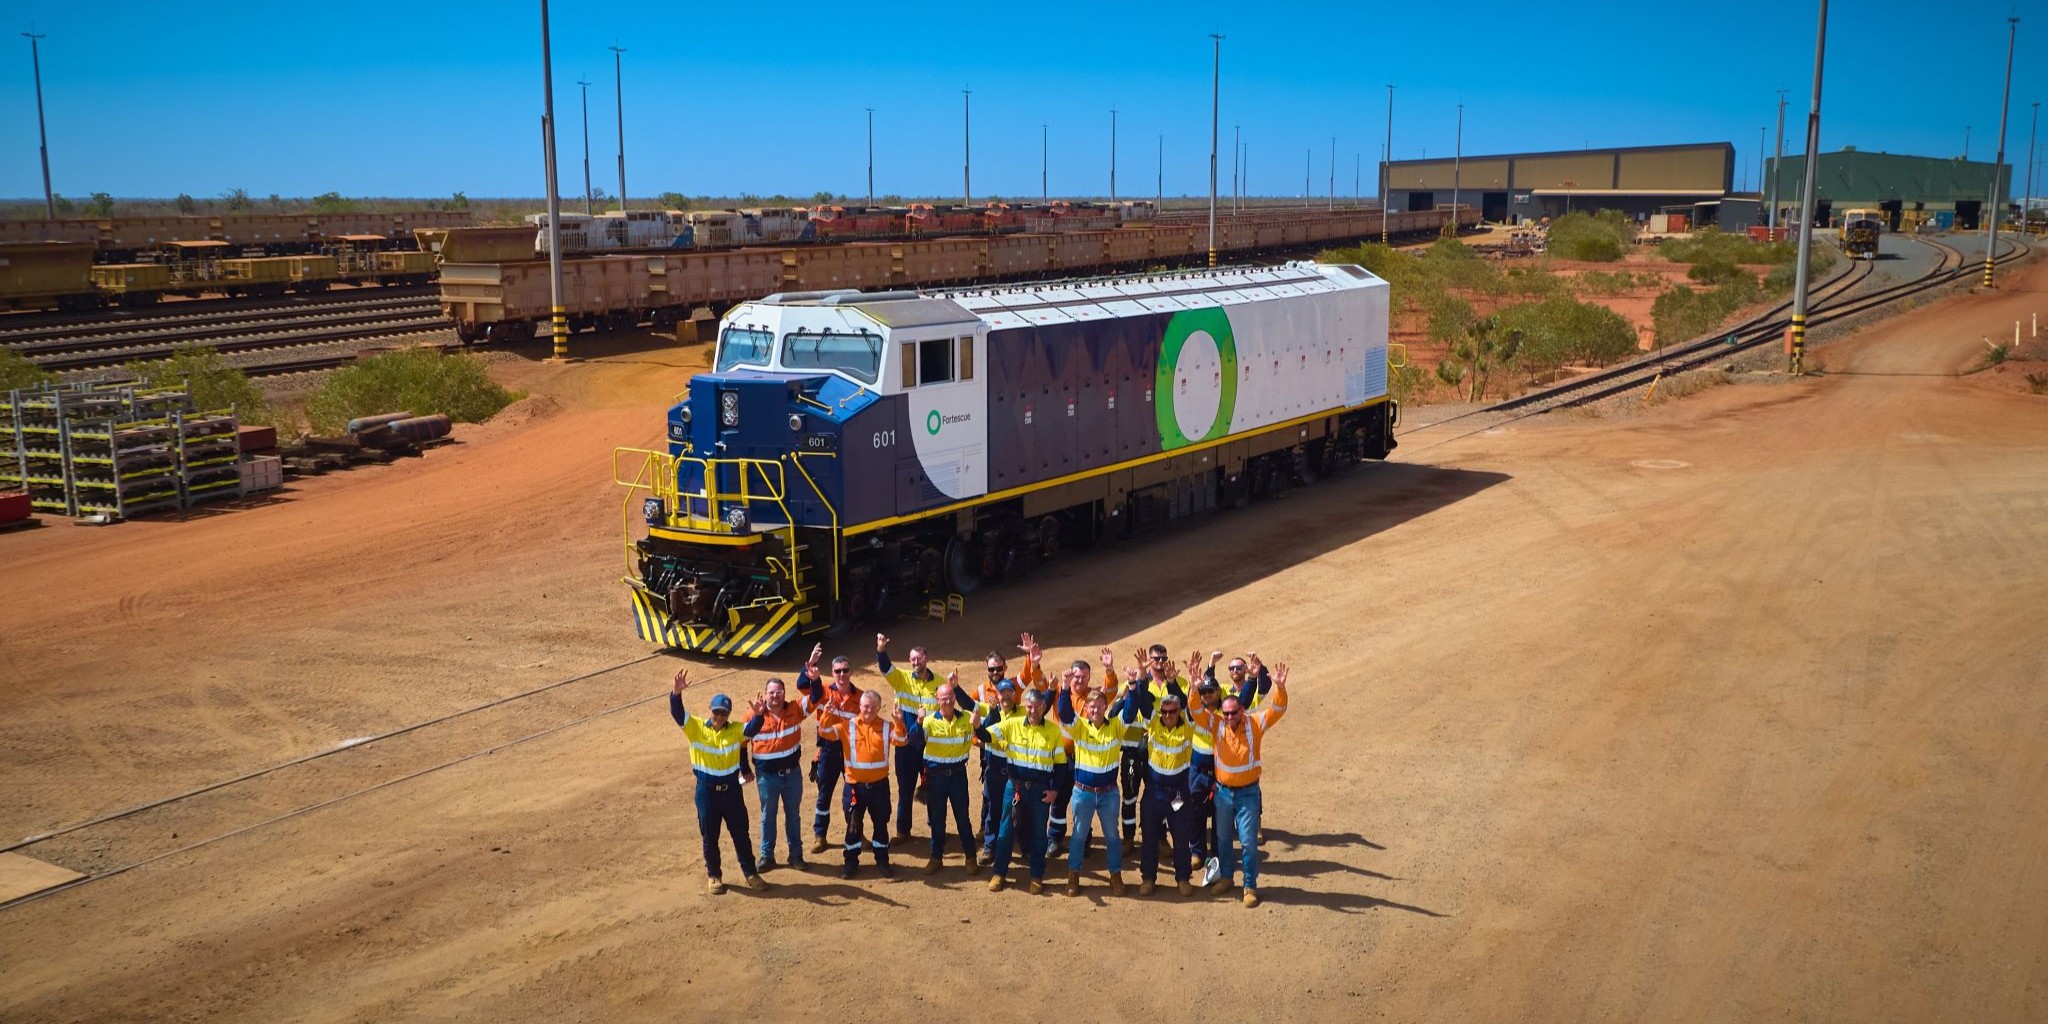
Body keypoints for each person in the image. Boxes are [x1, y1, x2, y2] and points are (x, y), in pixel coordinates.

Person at [668, 669, 768, 895]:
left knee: (741, 833)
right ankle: (714, 875)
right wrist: (676, 693)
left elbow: (752, 729)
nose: (720, 716)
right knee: (710, 835)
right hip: (707, 792)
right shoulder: (695, 728)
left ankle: (750, 873)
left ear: (729, 713)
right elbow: (677, 713)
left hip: (731, 791)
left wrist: (759, 715)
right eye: (716, 712)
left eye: (724, 713)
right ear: (710, 711)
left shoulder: (735, 730)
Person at [1207, 663, 1289, 907]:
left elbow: (1278, 708)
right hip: (1222, 793)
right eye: (1226, 713)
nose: (1230, 717)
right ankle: (1226, 879)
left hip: (1248, 794)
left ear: (1241, 710)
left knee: (1248, 842)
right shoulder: (1216, 724)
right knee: (1222, 839)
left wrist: (1280, 687)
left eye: (1234, 712)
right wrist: (1193, 686)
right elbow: (1193, 709)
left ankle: (1250, 885)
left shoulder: (1255, 723)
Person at [977, 686, 1068, 894]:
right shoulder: (1012, 724)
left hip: (1040, 791)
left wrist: (1054, 791)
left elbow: (1061, 765)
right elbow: (986, 735)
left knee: (1038, 834)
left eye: (1037, 707)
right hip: (1015, 787)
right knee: (1005, 832)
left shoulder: (1053, 731)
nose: (1033, 711)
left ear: (1044, 706)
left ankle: (1036, 876)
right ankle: (999, 873)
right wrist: (976, 725)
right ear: (1025, 706)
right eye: (1029, 707)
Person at [742, 646, 824, 871]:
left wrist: (813, 676)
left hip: (792, 775)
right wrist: (744, 768)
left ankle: (795, 855)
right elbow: (741, 742)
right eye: (772, 692)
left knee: (793, 816)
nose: (776, 695)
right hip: (766, 777)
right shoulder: (753, 715)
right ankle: (767, 856)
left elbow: (816, 697)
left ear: (784, 694)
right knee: (768, 816)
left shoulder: (795, 709)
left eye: (779, 692)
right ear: (765, 694)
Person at [816, 689, 910, 879]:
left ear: (879, 708)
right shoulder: (846, 726)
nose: (869, 710)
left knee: (881, 826)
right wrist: (826, 713)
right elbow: (825, 732)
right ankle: (850, 863)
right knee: (853, 828)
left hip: (879, 787)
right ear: (860, 706)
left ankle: (882, 861)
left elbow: (901, 741)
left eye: (873, 707)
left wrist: (899, 722)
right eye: (866, 706)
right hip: (854, 788)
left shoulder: (887, 726)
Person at [1128, 675, 1206, 896]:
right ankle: (1148, 878)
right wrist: (1141, 677)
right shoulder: (1153, 722)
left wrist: (1185, 685)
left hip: (1177, 795)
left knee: (1180, 836)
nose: (1169, 716)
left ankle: (1183, 879)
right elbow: (1143, 701)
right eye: (1165, 712)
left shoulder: (1188, 727)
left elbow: (1193, 708)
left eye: (1173, 712)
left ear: (1179, 711)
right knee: (1150, 837)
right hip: (1154, 793)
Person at [1057, 681, 1132, 896]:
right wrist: (1064, 687)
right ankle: (1073, 876)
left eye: (1100, 706)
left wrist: (1134, 686)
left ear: (1106, 707)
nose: (1096, 710)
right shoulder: (1079, 727)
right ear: (1086, 710)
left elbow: (1130, 711)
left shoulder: (1116, 727)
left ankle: (1115, 876)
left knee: (1112, 837)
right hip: (1083, 793)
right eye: (1092, 707)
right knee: (1079, 836)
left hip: (1109, 793)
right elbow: (1063, 711)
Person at [876, 633, 939, 841]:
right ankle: (903, 831)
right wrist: (881, 650)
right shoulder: (901, 679)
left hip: (929, 747)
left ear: (926, 659)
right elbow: (886, 668)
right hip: (905, 746)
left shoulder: (938, 683)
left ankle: (935, 828)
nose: (915, 662)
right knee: (905, 790)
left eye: (918, 658)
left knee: (931, 788)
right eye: (912, 659)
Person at [920, 672, 983, 876]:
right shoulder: (928, 722)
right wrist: (917, 723)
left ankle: (971, 857)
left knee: (962, 818)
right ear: (937, 701)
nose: (947, 702)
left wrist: (977, 726)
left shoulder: (966, 718)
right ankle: (936, 858)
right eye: (943, 699)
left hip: (957, 776)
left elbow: (980, 720)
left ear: (954, 699)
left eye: (950, 698)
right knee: (937, 819)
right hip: (936, 777)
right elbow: (914, 742)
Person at [973, 652, 1027, 865]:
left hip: (1015, 769)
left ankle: (1024, 847)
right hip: (994, 768)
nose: (1005, 696)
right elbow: (983, 732)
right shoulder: (991, 710)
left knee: (1019, 809)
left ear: (1014, 695)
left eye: (1008, 693)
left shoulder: (1023, 713)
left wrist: (1033, 658)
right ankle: (989, 847)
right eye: (1001, 693)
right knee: (992, 810)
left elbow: (1044, 703)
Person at [806, 654, 860, 855]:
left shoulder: (861, 697)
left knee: (853, 796)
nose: (842, 674)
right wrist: (811, 667)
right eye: (838, 671)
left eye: (845, 670)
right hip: (828, 751)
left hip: (850, 753)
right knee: (824, 795)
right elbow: (804, 685)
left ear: (851, 672)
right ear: (832, 673)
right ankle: (820, 836)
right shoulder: (822, 691)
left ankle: (856, 832)